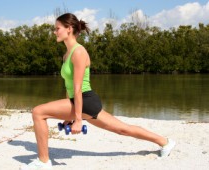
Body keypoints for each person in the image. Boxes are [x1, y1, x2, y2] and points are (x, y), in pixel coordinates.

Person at [20, 13, 176, 170]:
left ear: (69, 29)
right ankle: (165, 142)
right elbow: (69, 87)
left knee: (38, 112)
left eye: (57, 28)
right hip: (79, 102)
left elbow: (78, 88)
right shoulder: (66, 54)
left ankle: (43, 161)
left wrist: (79, 119)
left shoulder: (79, 52)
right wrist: (69, 116)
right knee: (123, 129)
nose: (54, 32)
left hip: (86, 101)